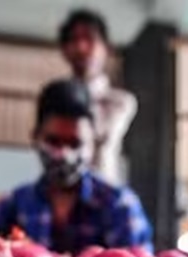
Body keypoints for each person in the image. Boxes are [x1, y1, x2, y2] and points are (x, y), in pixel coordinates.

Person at [0, 80, 152, 254]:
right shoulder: (19, 202)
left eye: (75, 144)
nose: (63, 154)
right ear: (35, 137)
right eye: (53, 141)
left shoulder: (119, 205)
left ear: (92, 144)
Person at [59, 9, 137, 185]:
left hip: (105, 196)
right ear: (64, 50)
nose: (81, 47)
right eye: (73, 40)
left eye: (89, 39)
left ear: (106, 49)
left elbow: (101, 141)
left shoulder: (121, 102)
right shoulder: (56, 98)